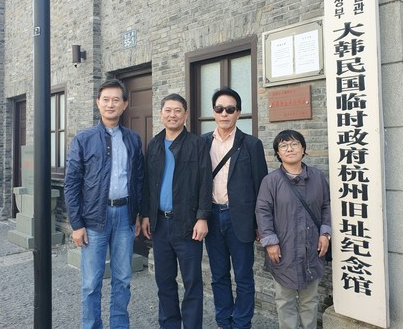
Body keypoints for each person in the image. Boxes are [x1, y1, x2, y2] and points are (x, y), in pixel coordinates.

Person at [64, 79, 144, 329]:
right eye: (106, 99)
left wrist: (138, 214)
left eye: (116, 100)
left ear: (125, 104)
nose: (111, 104)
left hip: (124, 216)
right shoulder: (83, 139)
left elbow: (139, 180)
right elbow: (71, 183)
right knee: (91, 283)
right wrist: (77, 224)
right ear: (98, 103)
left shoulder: (133, 139)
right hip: (94, 220)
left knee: (123, 279)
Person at [141, 93, 212, 329]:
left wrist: (202, 217)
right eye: (168, 110)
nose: (173, 115)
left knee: (192, 283)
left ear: (186, 114)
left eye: (178, 110)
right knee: (164, 281)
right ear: (161, 114)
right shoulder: (154, 144)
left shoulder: (197, 144)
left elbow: (205, 183)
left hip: (188, 224)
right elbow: (147, 183)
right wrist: (146, 215)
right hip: (160, 225)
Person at [202, 87, 268, 329]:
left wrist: (261, 224)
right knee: (218, 275)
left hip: (239, 218)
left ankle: (241, 323)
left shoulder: (251, 144)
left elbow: (261, 187)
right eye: (219, 109)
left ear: (238, 112)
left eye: (230, 109)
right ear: (213, 112)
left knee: (243, 276)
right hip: (211, 216)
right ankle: (223, 320)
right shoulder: (202, 142)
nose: (224, 113)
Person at [255, 130, 331, 329]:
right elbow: (263, 211)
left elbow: (326, 205)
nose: (289, 149)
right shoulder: (270, 181)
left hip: (312, 248)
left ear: (303, 148)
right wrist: (270, 241)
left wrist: (325, 233)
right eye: (283, 146)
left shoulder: (317, 177)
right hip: (284, 250)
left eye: (295, 144)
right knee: (285, 300)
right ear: (278, 153)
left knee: (310, 300)